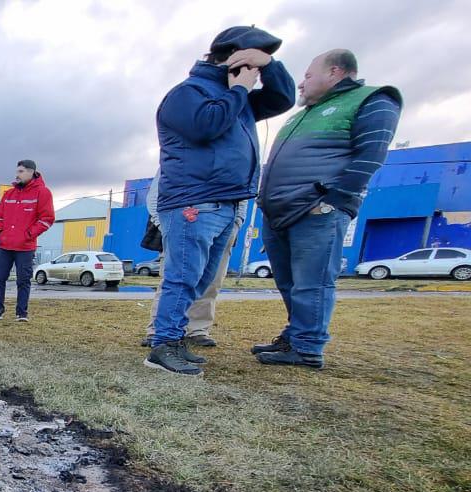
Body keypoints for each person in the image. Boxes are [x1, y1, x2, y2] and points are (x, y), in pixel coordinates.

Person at [144, 26, 295, 375]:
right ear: (231, 57)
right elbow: (205, 126)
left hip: (227, 202)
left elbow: (282, 98)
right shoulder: (189, 94)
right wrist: (240, 88)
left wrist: (270, 66)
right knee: (182, 277)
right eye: (251, 62)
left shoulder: (237, 101)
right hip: (193, 201)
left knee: (199, 280)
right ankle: (162, 344)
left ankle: (175, 338)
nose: (256, 74)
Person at [254, 50, 402, 369]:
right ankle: (296, 335)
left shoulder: (371, 100)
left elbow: (371, 154)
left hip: (316, 210)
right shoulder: (306, 113)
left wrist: (333, 200)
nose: (302, 83)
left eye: (307, 76)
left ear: (334, 72)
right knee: (290, 282)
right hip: (282, 211)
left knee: (313, 281)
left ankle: (307, 347)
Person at [141, 171, 246, 347]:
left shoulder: (235, 157)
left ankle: (197, 330)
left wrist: (236, 223)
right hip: (183, 225)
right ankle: (159, 331)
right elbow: (155, 194)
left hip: (225, 228)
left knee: (212, 281)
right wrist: (166, 227)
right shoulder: (184, 153)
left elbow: (242, 195)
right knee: (175, 281)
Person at [0, 160, 54, 321]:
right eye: (17, 171)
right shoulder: (9, 194)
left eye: (21, 171)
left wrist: (28, 234)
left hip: (25, 247)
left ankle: (21, 313)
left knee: (23, 280)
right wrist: (1, 232)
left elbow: (47, 219)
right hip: (5, 246)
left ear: (31, 172)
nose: (17, 175)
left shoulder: (43, 193)